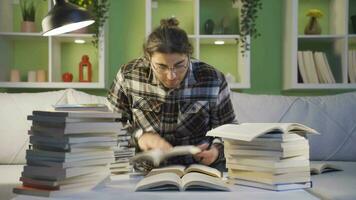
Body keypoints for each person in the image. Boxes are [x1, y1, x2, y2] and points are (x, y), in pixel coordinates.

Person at [107, 18, 235, 172]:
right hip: (143, 172)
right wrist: (139, 137)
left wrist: (216, 150)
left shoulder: (213, 79)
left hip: (198, 173)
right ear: (148, 58)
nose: (171, 75)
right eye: (161, 66)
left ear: (188, 55)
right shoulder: (128, 75)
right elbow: (108, 126)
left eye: (179, 65)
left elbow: (229, 131)